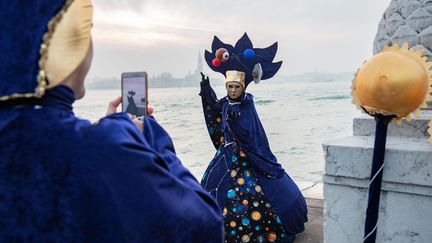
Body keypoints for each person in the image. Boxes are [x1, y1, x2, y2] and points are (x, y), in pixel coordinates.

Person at [0, 1, 223, 242]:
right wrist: (145, 138)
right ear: (68, 43)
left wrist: (108, 138)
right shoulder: (101, 147)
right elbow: (205, 225)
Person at [199, 33, 308, 243]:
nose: (232, 90)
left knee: (254, 194)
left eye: (236, 87)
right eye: (229, 87)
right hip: (226, 155)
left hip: (250, 157)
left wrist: (235, 121)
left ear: (243, 87)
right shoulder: (226, 103)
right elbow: (214, 112)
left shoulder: (247, 104)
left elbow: (249, 130)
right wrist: (206, 93)